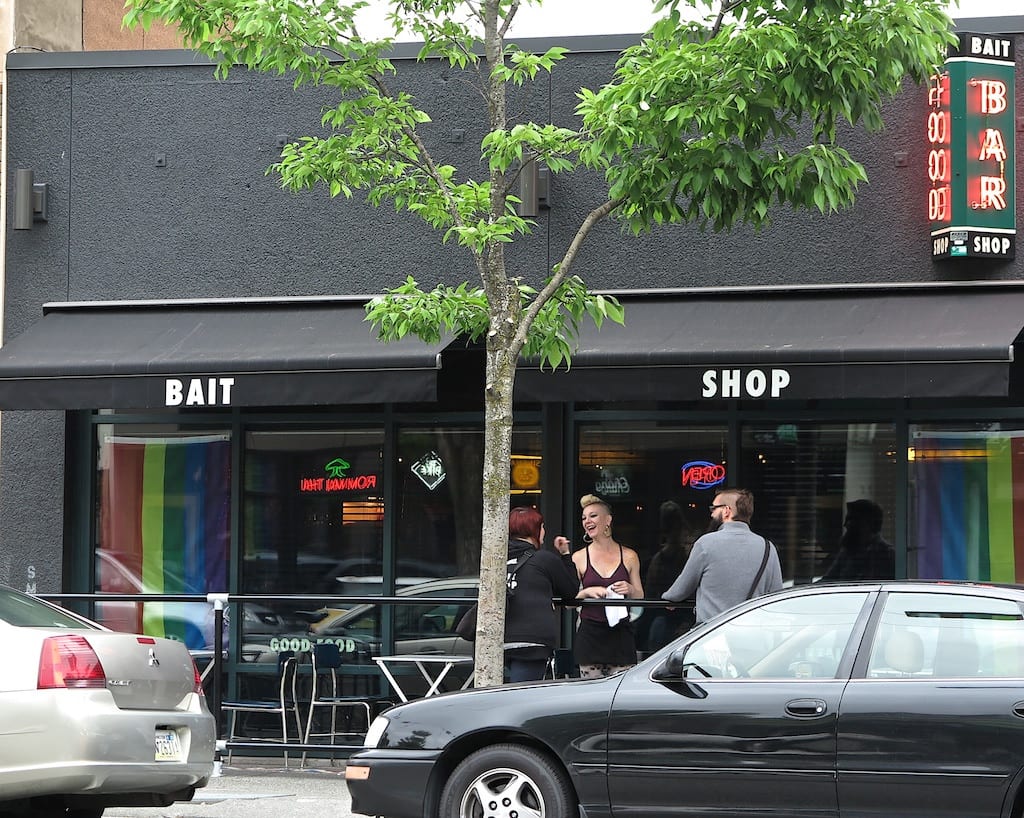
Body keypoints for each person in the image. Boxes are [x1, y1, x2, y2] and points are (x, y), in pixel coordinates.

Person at [661, 488, 782, 626]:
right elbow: (776, 596)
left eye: (714, 508)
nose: (711, 513)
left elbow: (681, 590)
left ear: (726, 511)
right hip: (751, 631)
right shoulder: (768, 548)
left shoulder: (706, 543)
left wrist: (668, 598)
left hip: (713, 632)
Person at [571, 494, 645, 678]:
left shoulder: (629, 556)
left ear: (608, 520)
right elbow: (569, 602)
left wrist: (630, 589)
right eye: (584, 518)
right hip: (590, 633)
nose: (587, 521)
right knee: (590, 692)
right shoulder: (578, 557)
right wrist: (586, 592)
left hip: (620, 634)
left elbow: (640, 596)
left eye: (593, 516)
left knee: (621, 691)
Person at [504, 506, 580, 682]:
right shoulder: (544, 559)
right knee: (523, 694)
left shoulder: (496, 559)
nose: (544, 531)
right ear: (534, 530)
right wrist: (565, 555)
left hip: (497, 638)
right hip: (531, 641)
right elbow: (570, 591)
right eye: (542, 527)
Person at [819, 499, 895, 581]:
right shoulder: (847, 552)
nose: (845, 525)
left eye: (851, 520)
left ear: (867, 523)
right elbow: (827, 580)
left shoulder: (887, 554)